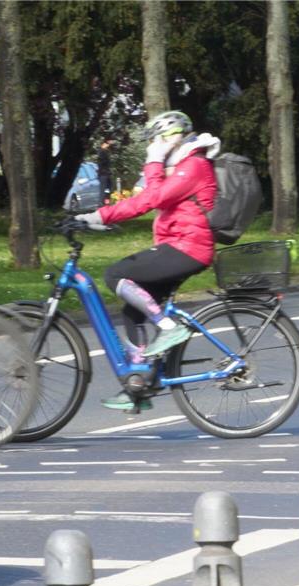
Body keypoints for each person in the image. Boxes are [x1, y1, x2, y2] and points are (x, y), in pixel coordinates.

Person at [74, 111, 220, 411]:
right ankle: (137, 386)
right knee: (132, 312)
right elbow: (154, 196)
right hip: (177, 245)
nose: (152, 146)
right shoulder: (182, 165)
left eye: (155, 140)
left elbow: (151, 200)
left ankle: (168, 327)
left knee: (117, 274)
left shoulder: (194, 165)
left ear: (170, 137)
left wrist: (100, 214)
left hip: (189, 248)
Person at [96, 139, 115, 204]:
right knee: (103, 189)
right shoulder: (101, 152)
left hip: (106, 174)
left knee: (108, 188)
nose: (108, 145)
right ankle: (102, 203)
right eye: (107, 144)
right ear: (103, 144)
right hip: (103, 174)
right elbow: (102, 163)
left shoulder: (105, 151)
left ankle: (106, 201)